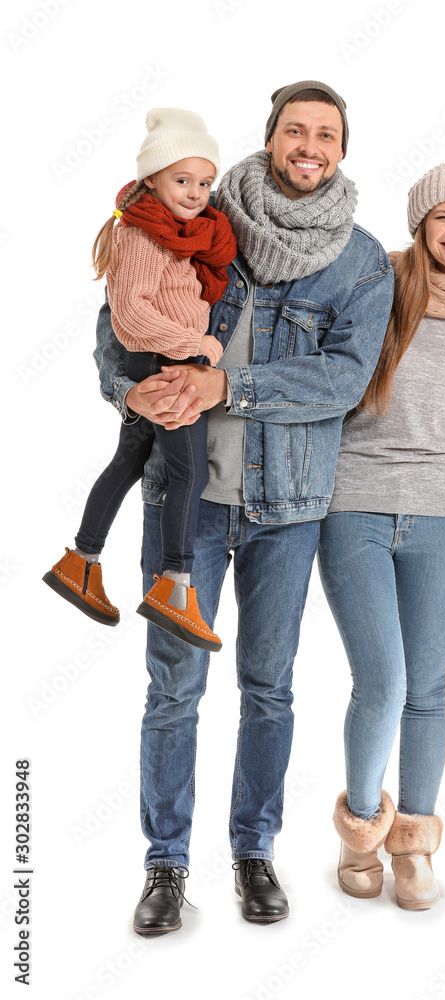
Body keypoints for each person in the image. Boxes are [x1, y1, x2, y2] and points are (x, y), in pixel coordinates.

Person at [93, 81, 394, 933]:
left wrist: (230, 382)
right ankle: (165, 865)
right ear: (268, 140)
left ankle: (253, 850)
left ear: (342, 149)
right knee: (173, 689)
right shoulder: (189, 220)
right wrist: (130, 392)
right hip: (182, 505)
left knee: (269, 687)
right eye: (294, 130)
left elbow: (344, 377)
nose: (310, 145)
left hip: (290, 507)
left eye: (325, 134)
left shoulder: (362, 260)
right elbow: (113, 334)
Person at [318, 161, 445, 910]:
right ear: (420, 225)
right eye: (444, 218)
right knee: (383, 682)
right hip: (355, 505)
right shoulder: (378, 285)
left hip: (441, 516)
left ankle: (413, 843)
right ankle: (361, 825)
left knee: (429, 690)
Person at [43, 109, 236, 652]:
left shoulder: (174, 235)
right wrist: (195, 345)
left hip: (157, 363)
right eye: (182, 180)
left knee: (129, 461)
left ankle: (80, 562)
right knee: (189, 473)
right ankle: (174, 587)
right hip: (162, 364)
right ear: (151, 179)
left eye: (204, 182)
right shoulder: (139, 236)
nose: (196, 193)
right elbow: (129, 315)